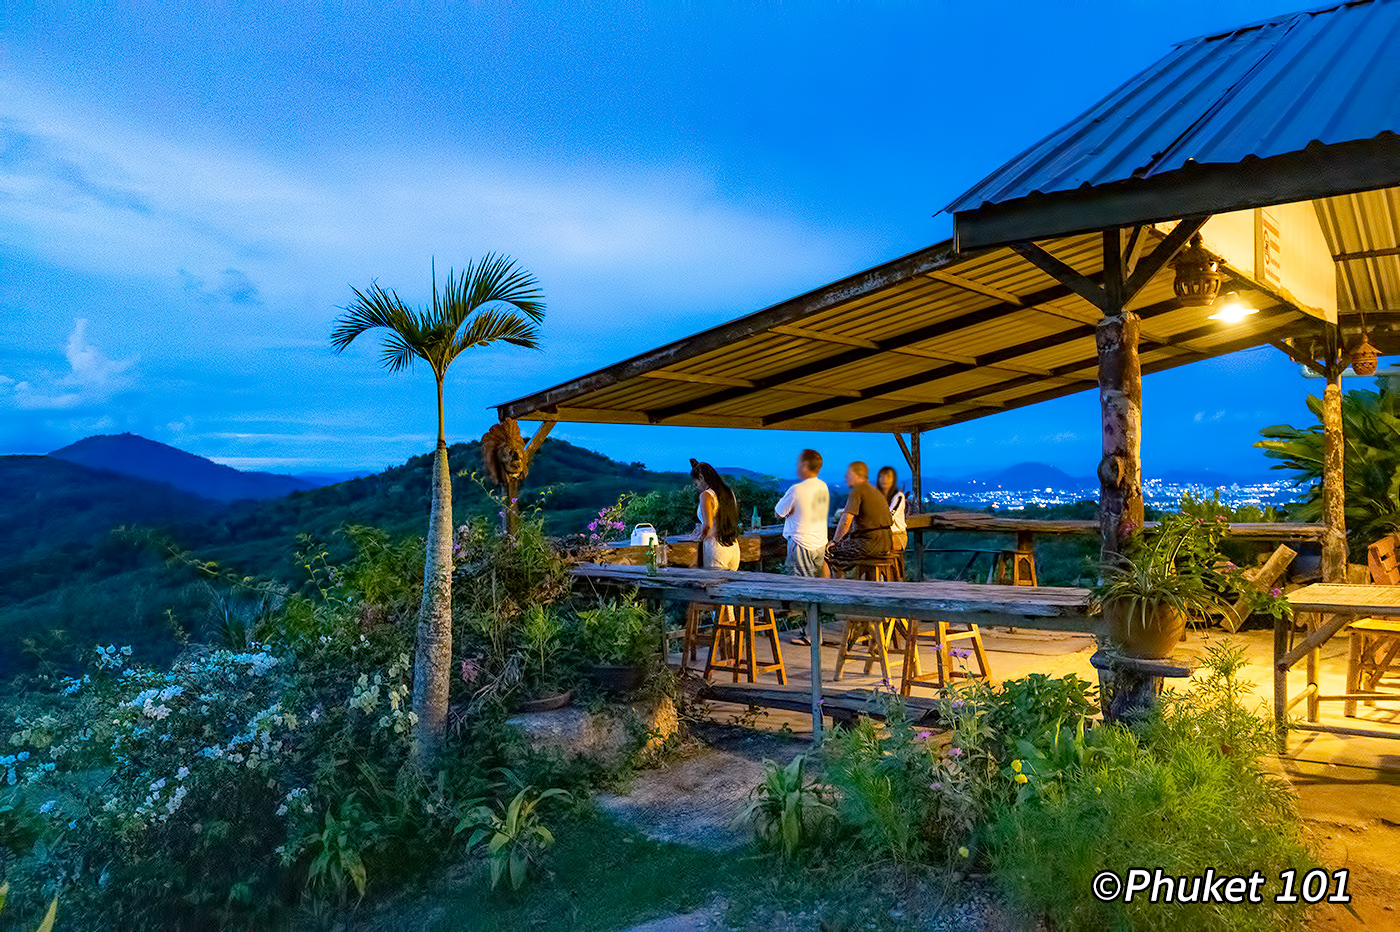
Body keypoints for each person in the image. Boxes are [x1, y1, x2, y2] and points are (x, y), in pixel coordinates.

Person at [826, 461, 893, 575]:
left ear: (857, 475)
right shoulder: (875, 491)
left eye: (849, 474)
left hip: (870, 543)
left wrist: (834, 541)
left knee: (829, 553)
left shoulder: (858, 490)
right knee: (845, 549)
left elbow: (845, 521)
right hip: (886, 541)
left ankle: (834, 589)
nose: (846, 477)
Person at [774, 449, 830, 578]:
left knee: (798, 585)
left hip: (801, 543)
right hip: (819, 543)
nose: (796, 466)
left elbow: (778, 512)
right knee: (815, 584)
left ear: (805, 465)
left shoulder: (796, 489)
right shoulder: (823, 486)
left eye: (798, 463)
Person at [690, 459, 740, 570]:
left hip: (715, 547)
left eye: (696, 483)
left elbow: (708, 524)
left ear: (701, 478)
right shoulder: (728, 492)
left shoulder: (706, 495)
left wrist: (699, 537)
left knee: (713, 586)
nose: (697, 486)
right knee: (730, 586)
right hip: (733, 545)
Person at [876, 465, 908, 577]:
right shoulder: (878, 497)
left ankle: (880, 576)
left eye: (888, 477)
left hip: (897, 536)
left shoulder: (898, 496)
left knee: (869, 544)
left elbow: (889, 517)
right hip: (882, 536)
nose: (884, 480)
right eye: (882, 477)